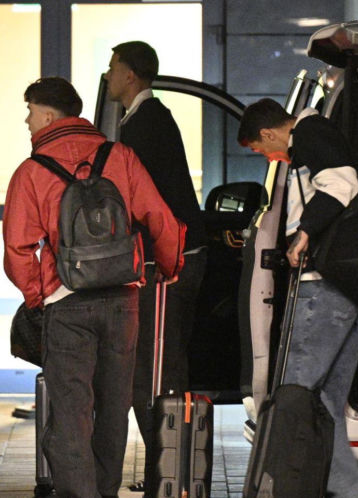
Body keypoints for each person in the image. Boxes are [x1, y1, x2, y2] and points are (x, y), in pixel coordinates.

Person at [3, 77, 185, 498]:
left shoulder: (32, 171)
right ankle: (104, 491)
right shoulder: (119, 156)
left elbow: (17, 248)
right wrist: (169, 266)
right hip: (123, 299)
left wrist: (38, 297)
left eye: (30, 111)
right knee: (114, 408)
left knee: (71, 412)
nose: (27, 121)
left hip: (67, 302)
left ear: (49, 115)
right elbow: (159, 217)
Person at [237, 98, 358, 498]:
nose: (269, 157)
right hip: (344, 289)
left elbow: (341, 182)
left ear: (268, 133)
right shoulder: (316, 136)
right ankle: (349, 487)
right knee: (327, 398)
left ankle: (278, 485)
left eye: (262, 149)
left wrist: (304, 233)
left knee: (295, 391)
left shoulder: (310, 134)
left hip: (321, 286)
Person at [103, 41, 207, 493]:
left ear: (131, 74)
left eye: (112, 67)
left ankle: (170, 473)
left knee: (157, 372)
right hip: (166, 257)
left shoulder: (147, 123)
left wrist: (162, 261)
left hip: (168, 261)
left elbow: (149, 204)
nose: (107, 75)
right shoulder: (142, 119)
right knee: (154, 367)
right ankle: (166, 471)